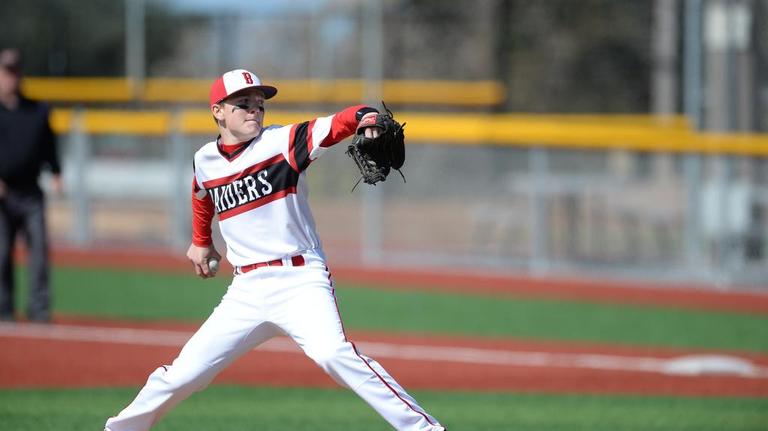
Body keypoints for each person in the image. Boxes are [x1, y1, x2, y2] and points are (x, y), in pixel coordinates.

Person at [104, 69, 447, 431]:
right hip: (246, 289)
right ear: (218, 111)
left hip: (299, 279)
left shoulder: (283, 142)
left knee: (333, 355)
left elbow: (338, 123)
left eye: (259, 104)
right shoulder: (205, 158)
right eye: (243, 104)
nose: (254, 110)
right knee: (184, 374)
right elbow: (201, 191)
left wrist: (368, 117)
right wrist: (201, 241)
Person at [0, 48, 62, 323]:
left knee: (38, 251)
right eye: (5, 72)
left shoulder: (37, 110)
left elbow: (49, 145)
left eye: (14, 72)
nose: (10, 78)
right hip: (2, 195)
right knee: (1, 252)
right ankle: (3, 308)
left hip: (30, 192)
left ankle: (38, 309)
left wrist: (57, 172)